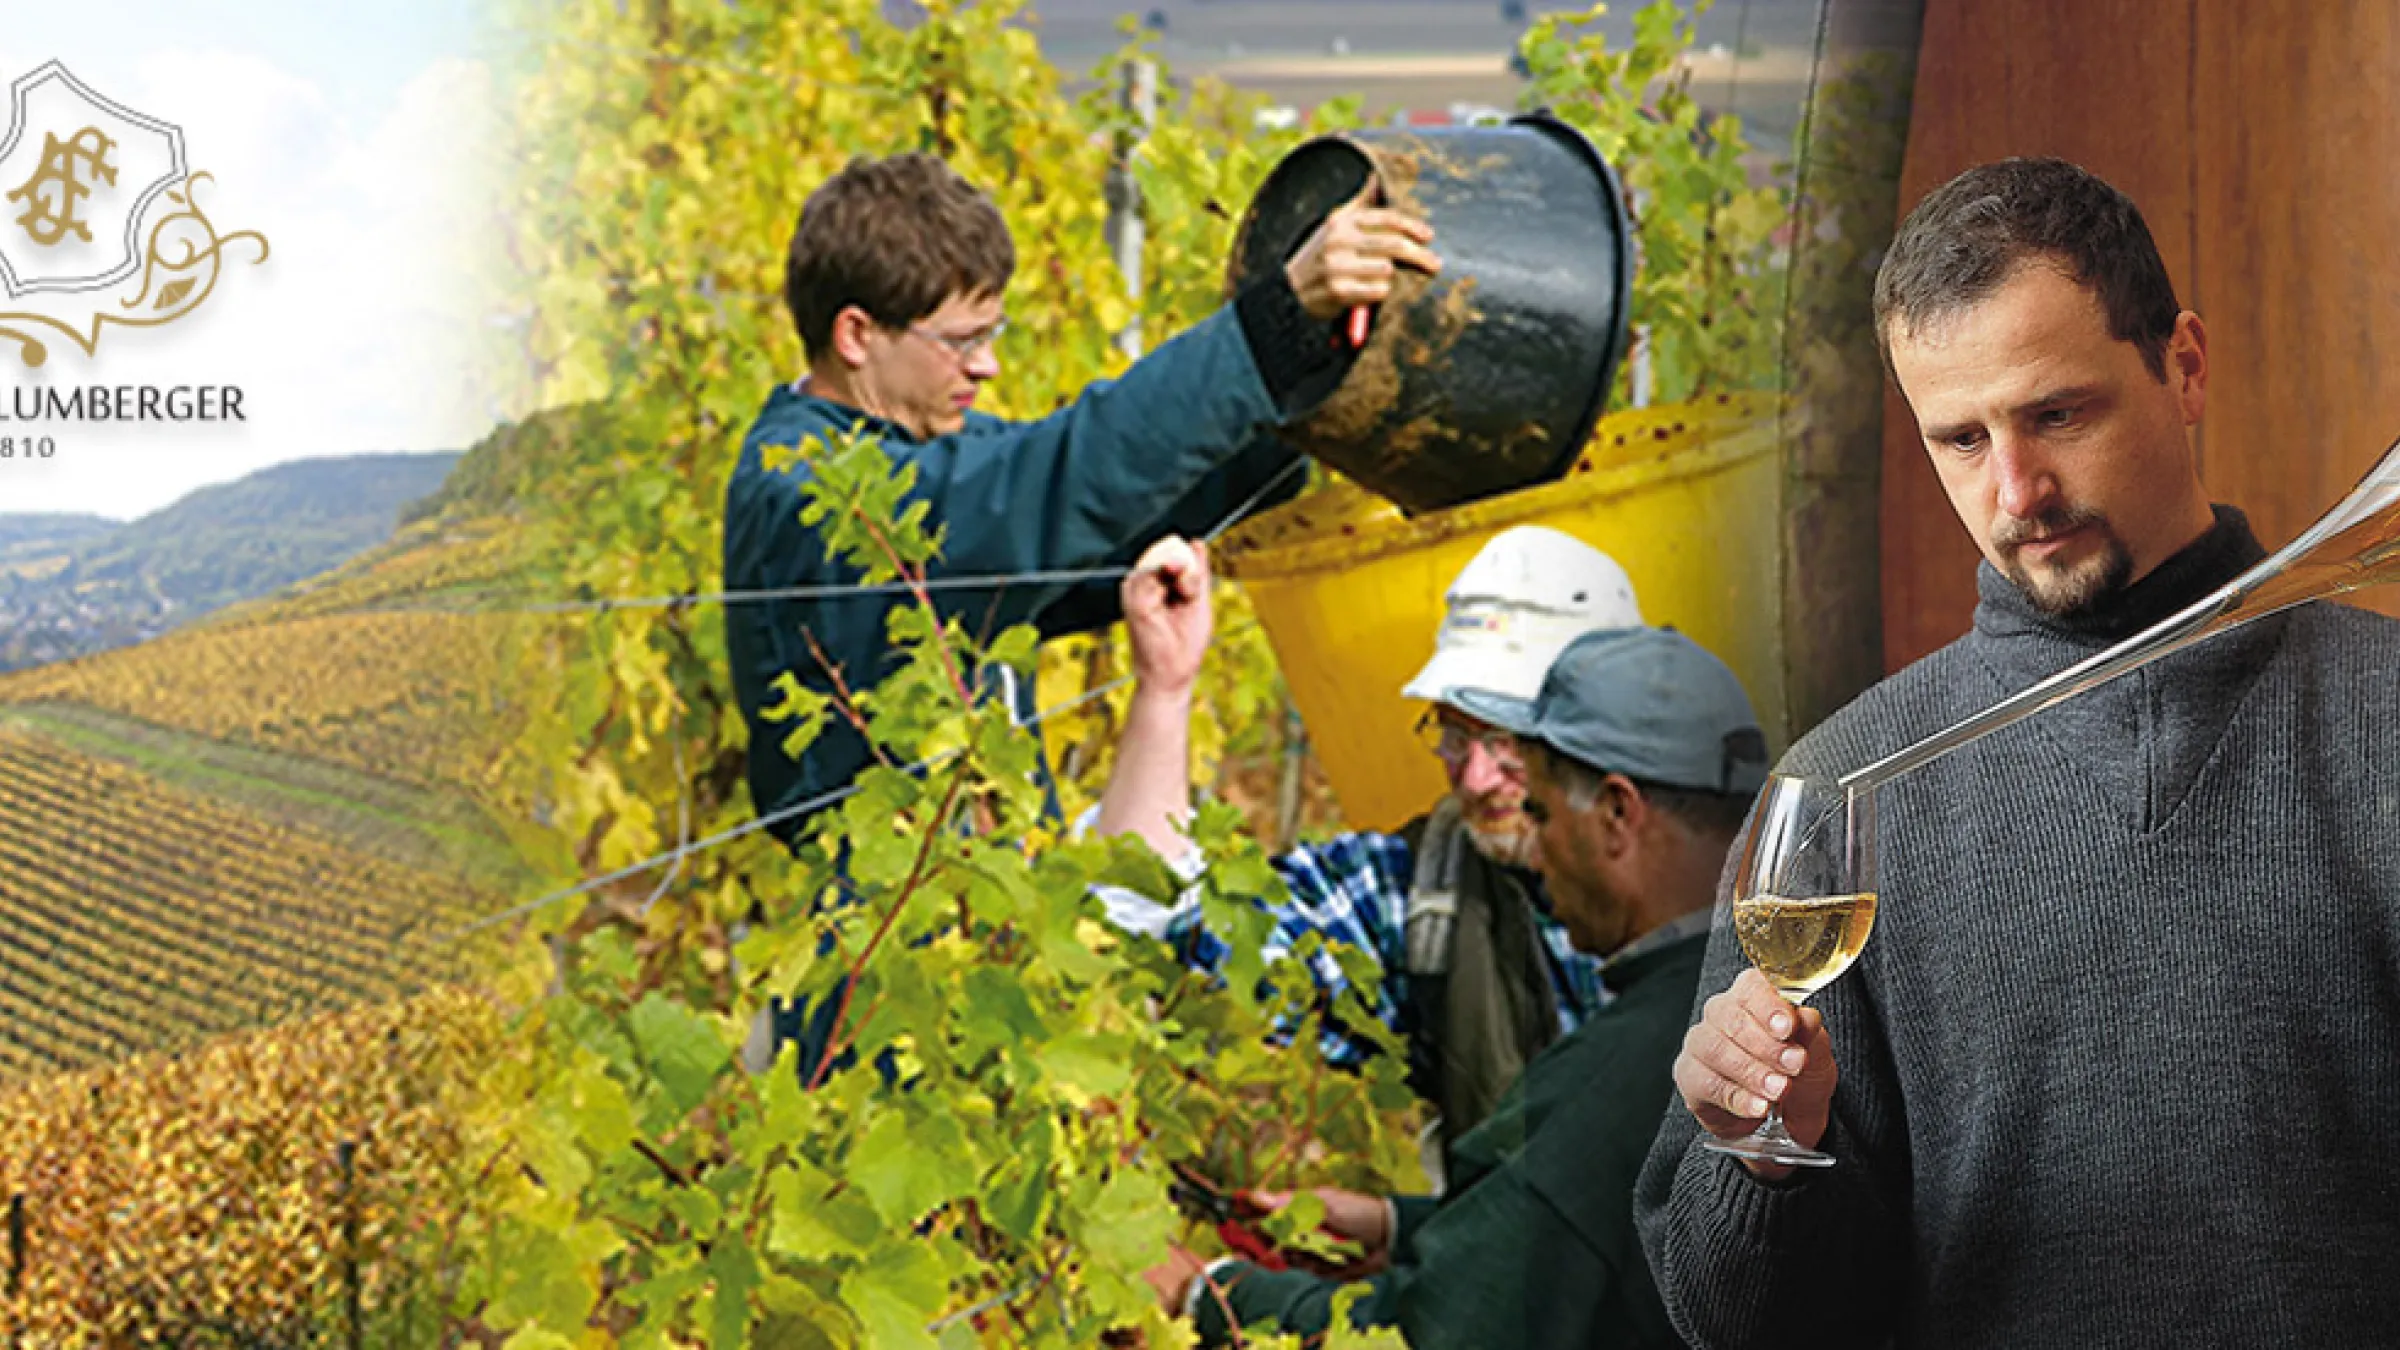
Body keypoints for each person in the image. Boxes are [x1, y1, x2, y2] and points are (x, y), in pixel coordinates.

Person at [1637, 157, 2400, 1347]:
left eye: (2058, 413)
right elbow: (1741, 1327)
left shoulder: (2385, 712)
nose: (2016, 492)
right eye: (1959, 438)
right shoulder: (1835, 799)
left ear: (2183, 367)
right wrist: (1763, 1157)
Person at [723, 151, 1439, 847]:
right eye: (963, 340)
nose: (989, 366)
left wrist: (1300, 398)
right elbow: (1059, 482)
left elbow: (1115, 516)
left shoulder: (917, 451)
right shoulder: (808, 490)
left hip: (998, 916)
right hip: (890, 936)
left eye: (993, 334)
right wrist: (1269, 329)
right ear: (857, 335)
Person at [1144, 623, 1764, 1348]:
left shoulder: (1627, 1073)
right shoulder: (1784, 992)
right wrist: (1409, 1230)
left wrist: (1206, 1293)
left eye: (1539, 813)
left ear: (1618, 814)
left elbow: (1433, 1337)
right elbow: (1598, 1241)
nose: (1534, 854)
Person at [1094, 524, 1643, 1150]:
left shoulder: (1738, 875)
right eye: (1454, 736)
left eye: (1508, 740)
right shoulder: (1425, 890)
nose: (1476, 776)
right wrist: (1165, 689)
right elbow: (1171, 927)